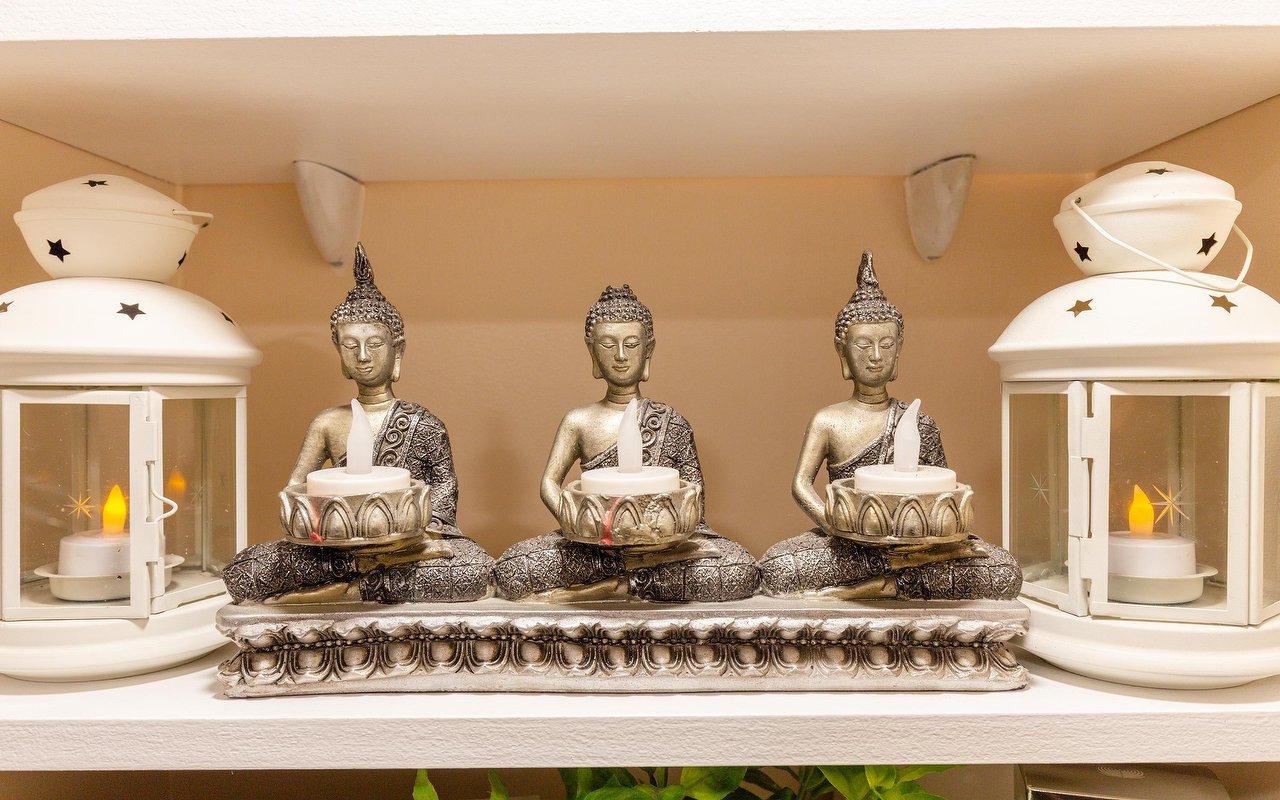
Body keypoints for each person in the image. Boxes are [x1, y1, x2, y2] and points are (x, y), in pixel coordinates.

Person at [223, 244, 493, 604]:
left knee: (476, 570)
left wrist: (420, 534)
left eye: (374, 343)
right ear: (339, 352)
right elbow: (294, 492)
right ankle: (364, 569)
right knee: (245, 569)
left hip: (409, 545)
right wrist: (330, 530)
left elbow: (444, 489)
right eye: (350, 345)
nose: (363, 356)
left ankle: (348, 589)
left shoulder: (426, 424)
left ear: (398, 350)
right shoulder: (327, 423)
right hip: (339, 547)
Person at [760, 250, 1020, 600]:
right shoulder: (828, 420)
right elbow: (800, 484)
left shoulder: (919, 422)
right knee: (775, 568)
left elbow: (940, 498)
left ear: (899, 349)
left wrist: (921, 540)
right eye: (863, 345)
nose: (875, 356)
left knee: (1004, 571)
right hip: (848, 543)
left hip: (916, 545)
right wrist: (834, 524)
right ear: (842, 351)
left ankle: (882, 584)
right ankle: (896, 579)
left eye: (886, 344)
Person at [493, 285, 760, 602]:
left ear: (648, 350)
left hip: (664, 548)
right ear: (592, 351)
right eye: (608, 345)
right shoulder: (579, 420)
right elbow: (549, 483)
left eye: (631, 344)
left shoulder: (672, 421)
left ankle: (613, 586)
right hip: (595, 547)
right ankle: (636, 579)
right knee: (511, 569)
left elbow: (695, 500)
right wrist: (580, 525)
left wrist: (656, 534)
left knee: (740, 569)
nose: (620, 355)